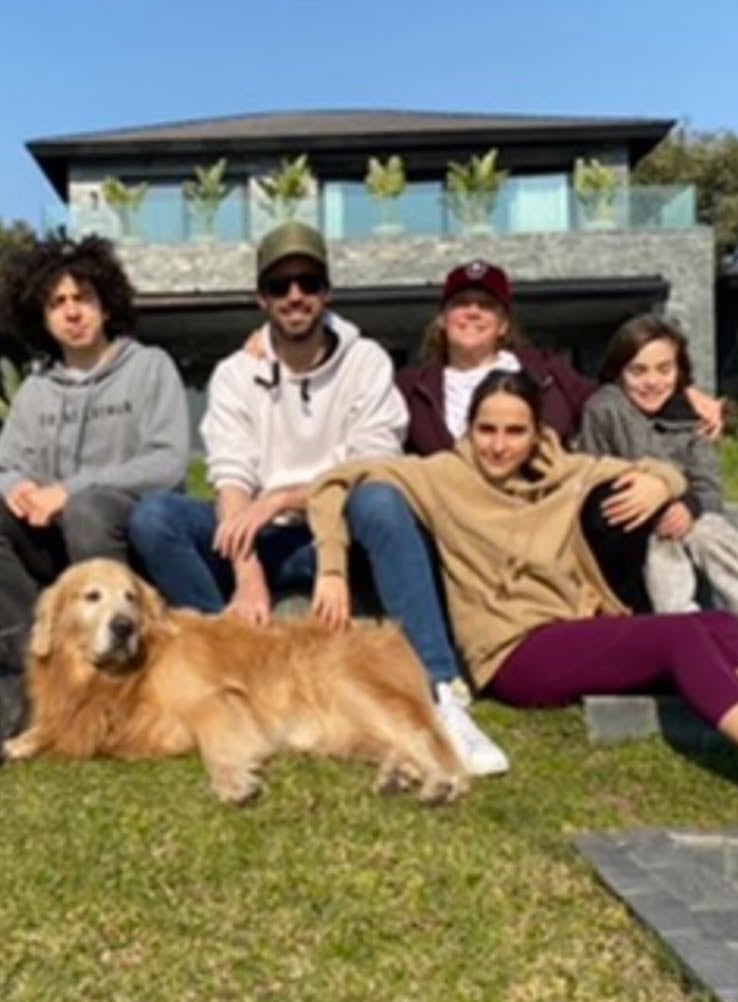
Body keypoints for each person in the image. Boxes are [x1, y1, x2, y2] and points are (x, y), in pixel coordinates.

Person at [308, 369, 738, 816]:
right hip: (512, 654)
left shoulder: (566, 472)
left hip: (572, 631)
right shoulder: (441, 476)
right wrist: (332, 568)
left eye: (514, 432)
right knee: (679, 635)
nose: (498, 446)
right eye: (486, 429)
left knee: (718, 623)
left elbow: (662, 469)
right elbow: (334, 484)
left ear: (537, 432)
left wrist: (660, 485)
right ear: (468, 429)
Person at [129, 220, 509, 776]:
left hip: (338, 537)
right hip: (263, 539)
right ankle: (233, 669)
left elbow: (369, 465)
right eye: (280, 286)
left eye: (308, 282)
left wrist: (280, 497)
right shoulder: (237, 374)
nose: (295, 296)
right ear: (262, 298)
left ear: (327, 291)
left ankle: (438, 689)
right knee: (155, 517)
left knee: (381, 499)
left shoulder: (367, 363)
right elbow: (231, 477)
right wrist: (246, 570)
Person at [394, 258, 726, 613]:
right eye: (461, 304)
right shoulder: (410, 388)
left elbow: (616, 396)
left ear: (504, 323)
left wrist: (684, 394)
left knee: (617, 503)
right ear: (443, 319)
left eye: (486, 305)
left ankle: (631, 617)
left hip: (552, 511)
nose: (473, 313)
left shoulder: (545, 371)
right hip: (465, 521)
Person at [0, 234, 190, 632]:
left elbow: (167, 462)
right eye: (57, 303)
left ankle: (120, 640)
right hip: (49, 535)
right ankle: (39, 639)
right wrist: (18, 488)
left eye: (83, 298)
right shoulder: (36, 390)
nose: (72, 313)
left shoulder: (149, 367)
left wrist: (70, 490)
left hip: (124, 532)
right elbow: (5, 466)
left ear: (106, 305)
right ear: (41, 318)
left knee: (87, 510)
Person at [579, 314, 738, 667]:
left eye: (664, 369)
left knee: (709, 532)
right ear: (618, 372)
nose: (652, 381)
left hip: (691, 523)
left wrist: (689, 505)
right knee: (664, 532)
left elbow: (709, 487)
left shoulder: (692, 417)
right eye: (638, 371)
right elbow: (593, 473)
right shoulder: (606, 408)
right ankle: (685, 628)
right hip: (627, 534)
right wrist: (662, 498)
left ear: (679, 372)